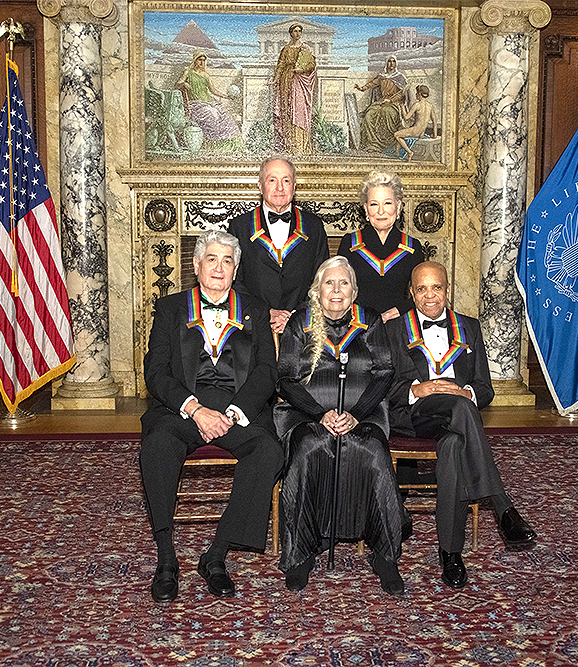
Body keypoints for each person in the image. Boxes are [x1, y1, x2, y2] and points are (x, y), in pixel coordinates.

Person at [140, 230, 284, 603]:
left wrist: (235, 413)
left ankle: (216, 555)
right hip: (184, 407)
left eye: (227, 261)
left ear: (236, 269)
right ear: (196, 265)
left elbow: (267, 371)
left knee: (268, 451)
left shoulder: (255, 308)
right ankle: (166, 557)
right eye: (211, 259)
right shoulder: (171, 308)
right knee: (157, 445)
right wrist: (195, 409)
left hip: (237, 408)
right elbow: (155, 371)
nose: (219, 268)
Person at [387, 261, 537, 590]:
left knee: (455, 443)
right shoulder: (394, 329)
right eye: (422, 288)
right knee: (462, 408)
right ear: (412, 293)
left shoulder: (470, 327)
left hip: (456, 419)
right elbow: (381, 385)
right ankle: (502, 507)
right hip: (415, 416)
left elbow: (484, 388)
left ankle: (451, 554)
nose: (430, 295)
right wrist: (416, 389)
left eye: (436, 287)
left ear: (447, 290)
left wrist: (466, 392)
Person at [274, 256, 411, 595]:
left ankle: (384, 554)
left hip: (362, 414)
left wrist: (356, 414)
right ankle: (302, 552)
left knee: (372, 450)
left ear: (354, 290)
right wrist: (320, 414)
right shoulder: (299, 324)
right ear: (316, 290)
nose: (336, 290)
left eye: (344, 283)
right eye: (329, 283)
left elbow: (384, 372)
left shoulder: (371, 322)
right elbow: (285, 380)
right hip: (305, 415)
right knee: (309, 449)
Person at [228, 155, 329, 335]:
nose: (280, 188)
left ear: (295, 186)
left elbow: (321, 279)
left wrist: (296, 315)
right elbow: (234, 281)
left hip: (302, 326)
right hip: (253, 326)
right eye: (272, 180)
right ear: (260, 186)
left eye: (286, 180)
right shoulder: (240, 227)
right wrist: (267, 312)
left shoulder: (314, 226)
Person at [337, 170, 425, 323]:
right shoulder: (349, 243)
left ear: (398, 207)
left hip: (399, 323)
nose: (381, 211)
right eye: (374, 204)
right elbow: (339, 290)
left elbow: (423, 293)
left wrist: (399, 310)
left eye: (387, 203)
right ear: (365, 209)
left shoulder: (412, 247)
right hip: (358, 324)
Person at [175, 51, 243, 153]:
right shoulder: (188, 72)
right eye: (199, 60)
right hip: (196, 103)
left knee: (225, 116)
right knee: (211, 114)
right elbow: (177, 84)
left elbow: (213, 90)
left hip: (209, 102)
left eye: (204, 60)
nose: (202, 63)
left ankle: (226, 144)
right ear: (195, 60)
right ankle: (213, 144)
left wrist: (226, 97)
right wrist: (184, 83)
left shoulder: (206, 75)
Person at [273, 23, 316, 154]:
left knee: (298, 111)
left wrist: (301, 69)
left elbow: (311, 64)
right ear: (291, 33)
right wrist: (275, 79)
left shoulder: (306, 48)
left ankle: (300, 146)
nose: (298, 33)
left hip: (299, 81)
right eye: (295, 31)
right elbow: (280, 65)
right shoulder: (285, 49)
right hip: (286, 80)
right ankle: (289, 146)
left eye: (299, 31)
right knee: (287, 110)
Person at [355, 56, 409, 153]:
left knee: (387, 112)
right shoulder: (382, 76)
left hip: (394, 103)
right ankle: (373, 144)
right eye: (389, 61)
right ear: (386, 63)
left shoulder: (400, 77)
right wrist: (361, 88)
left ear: (396, 63)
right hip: (382, 101)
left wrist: (390, 100)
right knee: (369, 115)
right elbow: (372, 83)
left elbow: (402, 94)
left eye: (393, 61)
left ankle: (387, 144)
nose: (391, 64)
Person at [394, 84, 437, 161]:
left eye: (416, 93)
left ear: (420, 94)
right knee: (401, 130)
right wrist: (435, 134)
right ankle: (397, 153)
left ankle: (410, 152)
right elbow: (434, 122)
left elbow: (406, 117)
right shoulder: (430, 106)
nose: (415, 95)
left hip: (415, 131)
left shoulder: (417, 105)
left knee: (396, 134)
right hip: (422, 133)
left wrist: (402, 106)